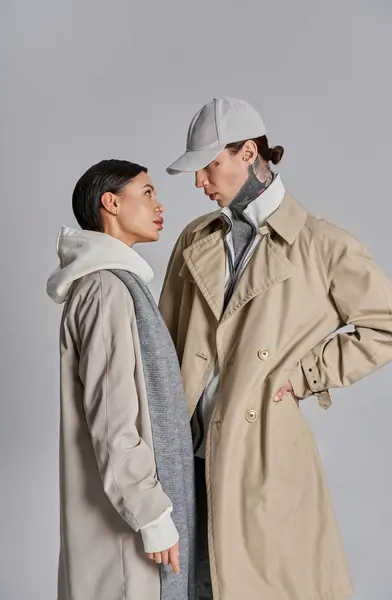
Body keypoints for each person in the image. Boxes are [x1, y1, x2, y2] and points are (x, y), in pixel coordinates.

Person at [159, 97, 392, 600]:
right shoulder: (193, 239)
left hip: (261, 453)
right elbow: (164, 343)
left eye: (209, 166)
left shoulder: (324, 245)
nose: (200, 183)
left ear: (248, 153)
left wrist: (306, 374)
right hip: (185, 455)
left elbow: (384, 326)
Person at [46, 159, 196, 600]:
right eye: (147, 193)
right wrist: (152, 515)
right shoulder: (106, 290)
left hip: (121, 521)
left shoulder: (117, 285)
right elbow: (113, 421)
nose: (159, 204)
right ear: (111, 203)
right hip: (122, 532)